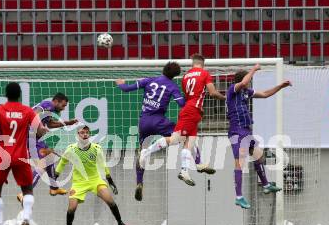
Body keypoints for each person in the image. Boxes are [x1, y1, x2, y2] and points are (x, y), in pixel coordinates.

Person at [116, 61, 207, 201]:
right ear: (175, 75)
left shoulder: (149, 80)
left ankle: (139, 182)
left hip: (144, 122)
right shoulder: (172, 86)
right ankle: (198, 162)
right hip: (159, 121)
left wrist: (121, 83)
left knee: (141, 152)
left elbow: (126, 89)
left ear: (163, 69)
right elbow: (182, 104)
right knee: (186, 135)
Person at [139, 54, 225, 186]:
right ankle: (147, 151)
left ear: (192, 64)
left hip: (192, 110)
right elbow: (212, 93)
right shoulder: (204, 73)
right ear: (203, 64)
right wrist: (226, 99)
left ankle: (191, 168)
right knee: (175, 139)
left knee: (190, 141)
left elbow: (187, 97)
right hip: (192, 111)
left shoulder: (185, 77)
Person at [0, 82, 47, 225]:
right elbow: (40, 131)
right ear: (19, 94)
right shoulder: (27, 111)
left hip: (3, 156)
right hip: (21, 155)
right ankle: (26, 220)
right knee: (27, 190)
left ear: (6, 94)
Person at [226, 64, 292, 209]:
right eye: (248, 80)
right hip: (236, 131)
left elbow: (265, 94)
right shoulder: (233, 90)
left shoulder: (245, 92)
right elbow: (243, 82)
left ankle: (266, 185)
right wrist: (254, 69)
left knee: (259, 157)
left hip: (246, 131)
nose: (249, 82)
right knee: (240, 163)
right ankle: (239, 196)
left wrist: (280, 86)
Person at [55, 125, 133, 225]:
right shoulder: (71, 149)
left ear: (89, 134)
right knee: (72, 207)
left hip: (95, 180)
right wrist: (55, 178)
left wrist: (110, 181)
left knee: (110, 200)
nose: (85, 134)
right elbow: (62, 163)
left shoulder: (96, 148)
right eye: (82, 132)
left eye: (87, 132)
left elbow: (103, 166)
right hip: (78, 183)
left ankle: (121, 223)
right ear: (77, 135)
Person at [17, 93, 78, 203]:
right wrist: (40, 127)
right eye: (63, 105)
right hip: (29, 135)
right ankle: (24, 193)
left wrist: (68, 123)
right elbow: (34, 114)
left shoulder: (50, 111)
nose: (63, 109)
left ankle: (54, 188)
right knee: (44, 163)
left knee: (49, 158)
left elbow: (50, 124)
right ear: (56, 101)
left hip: (34, 136)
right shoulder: (48, 104)